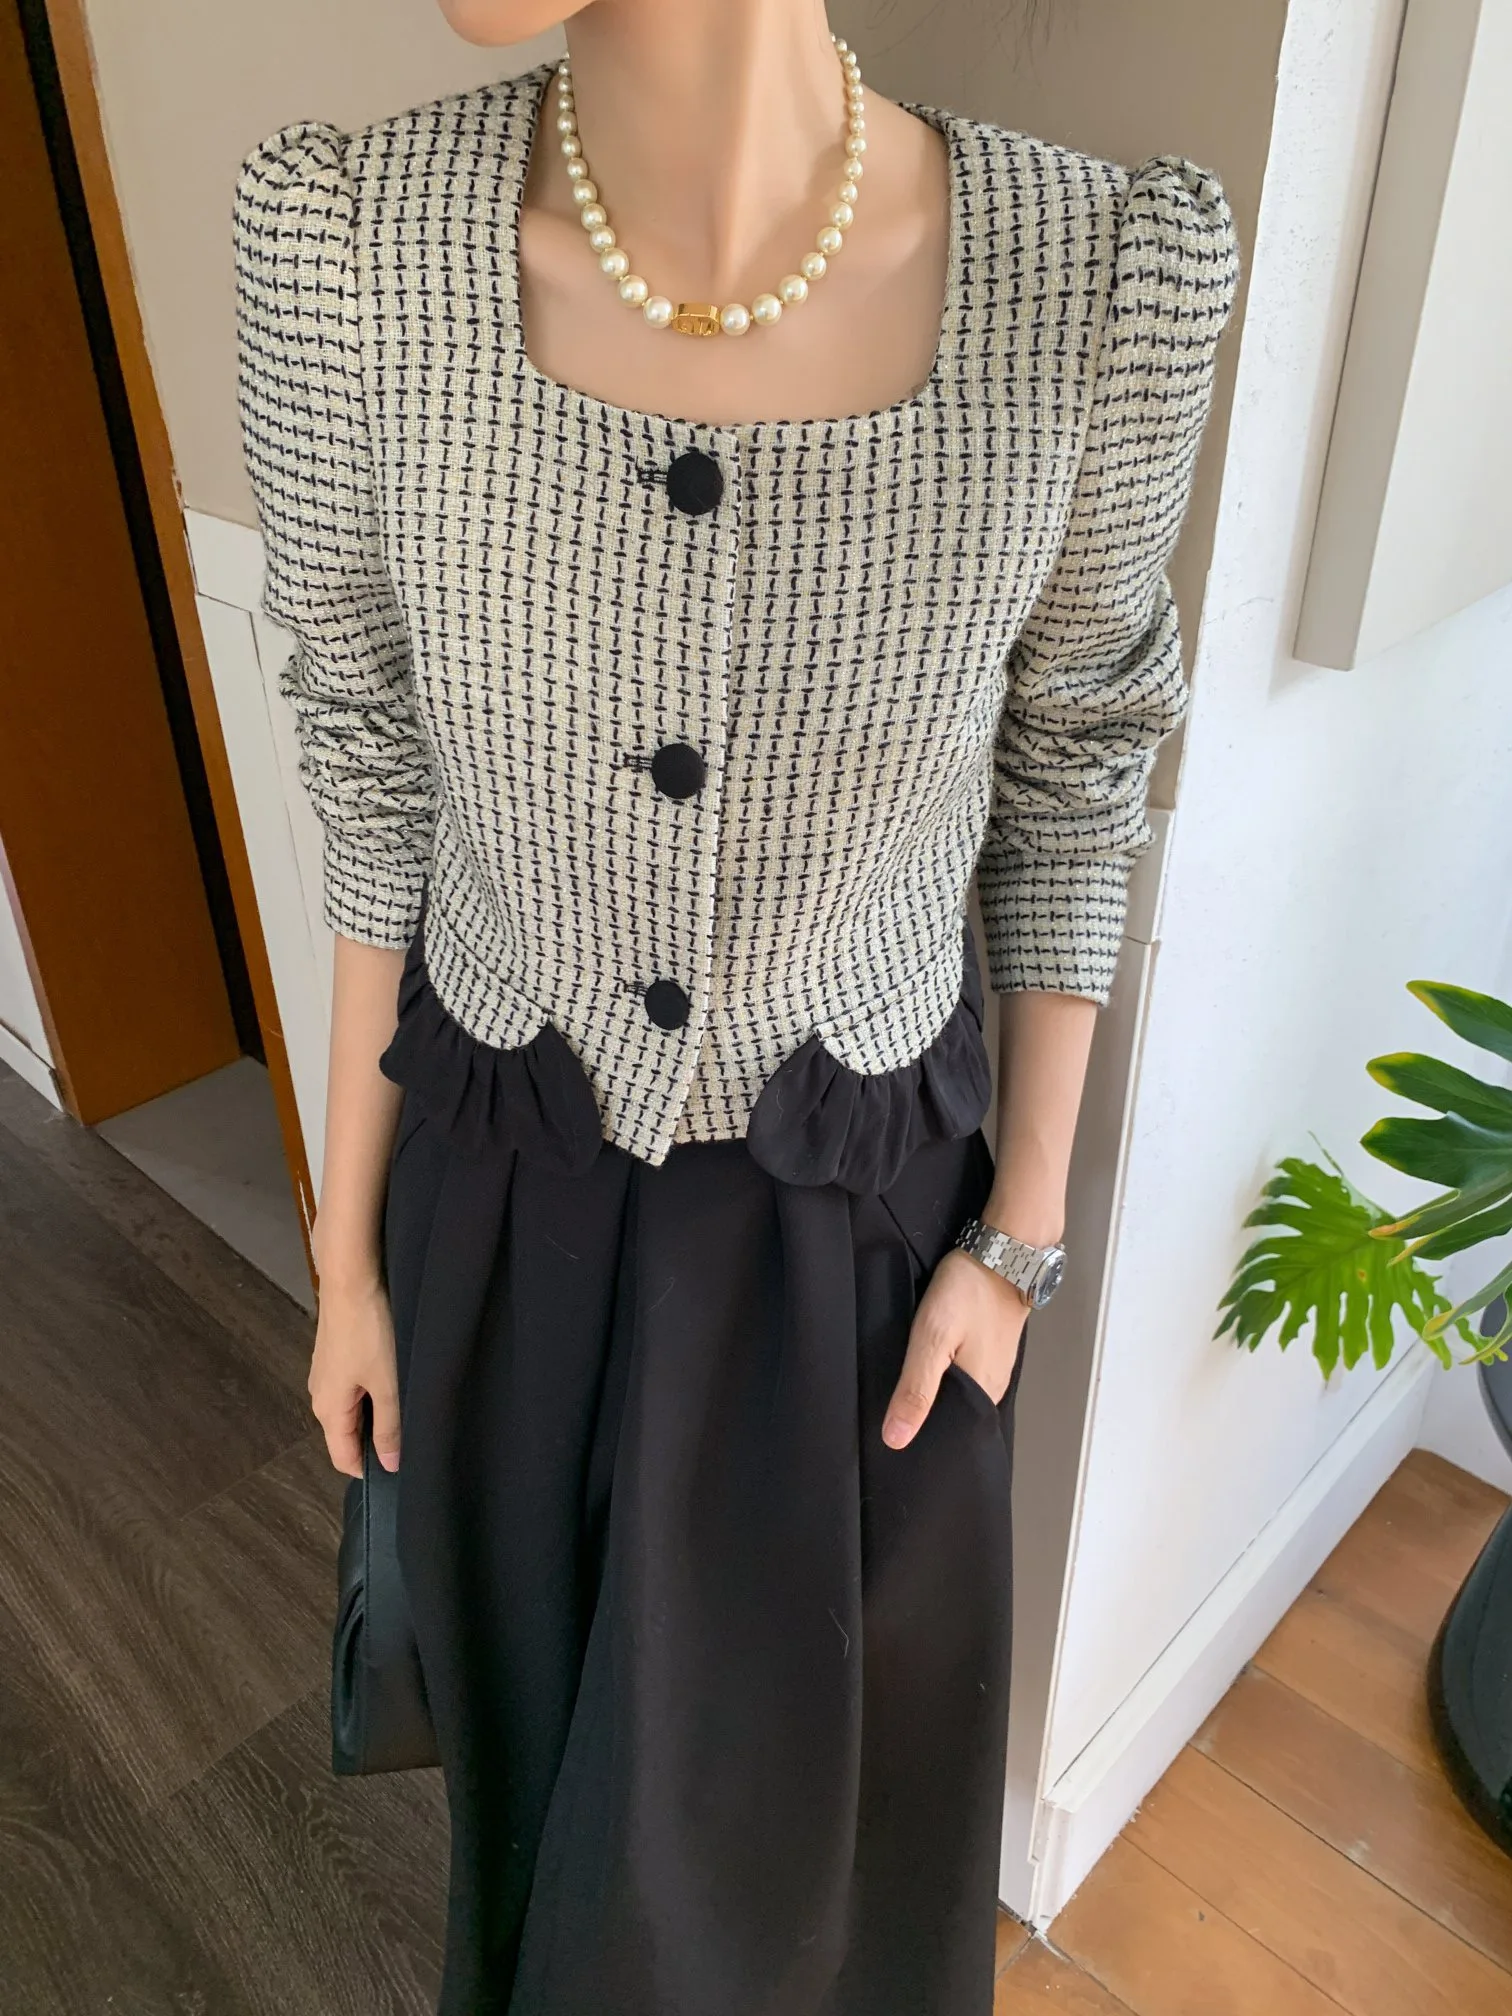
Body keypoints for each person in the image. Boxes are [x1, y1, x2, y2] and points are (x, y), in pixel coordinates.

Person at [231, 3, 1240, 2010]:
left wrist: (1018, 1244)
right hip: (503, 1214)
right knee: (544, 1839)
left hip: (861, 1262)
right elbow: (372, 768)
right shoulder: (346, 247)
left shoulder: (1098, 278)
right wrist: (346, 1258)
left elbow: (1077, 771)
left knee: (819, 1888)